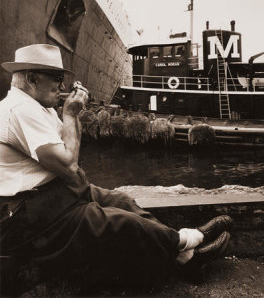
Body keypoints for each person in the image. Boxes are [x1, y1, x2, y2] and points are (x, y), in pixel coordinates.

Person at [0, 44, 233, 291]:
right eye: (57, 79)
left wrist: (74, 115)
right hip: (25, 215)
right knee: (116, 222)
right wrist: (68, 115)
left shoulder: (39, 106)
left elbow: (71, 150)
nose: (62, 86)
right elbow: (69, 164)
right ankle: (185, 242)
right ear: (32, 78)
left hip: (53, 194)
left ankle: (183, 255)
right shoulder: (20, 109)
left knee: (121, 200)